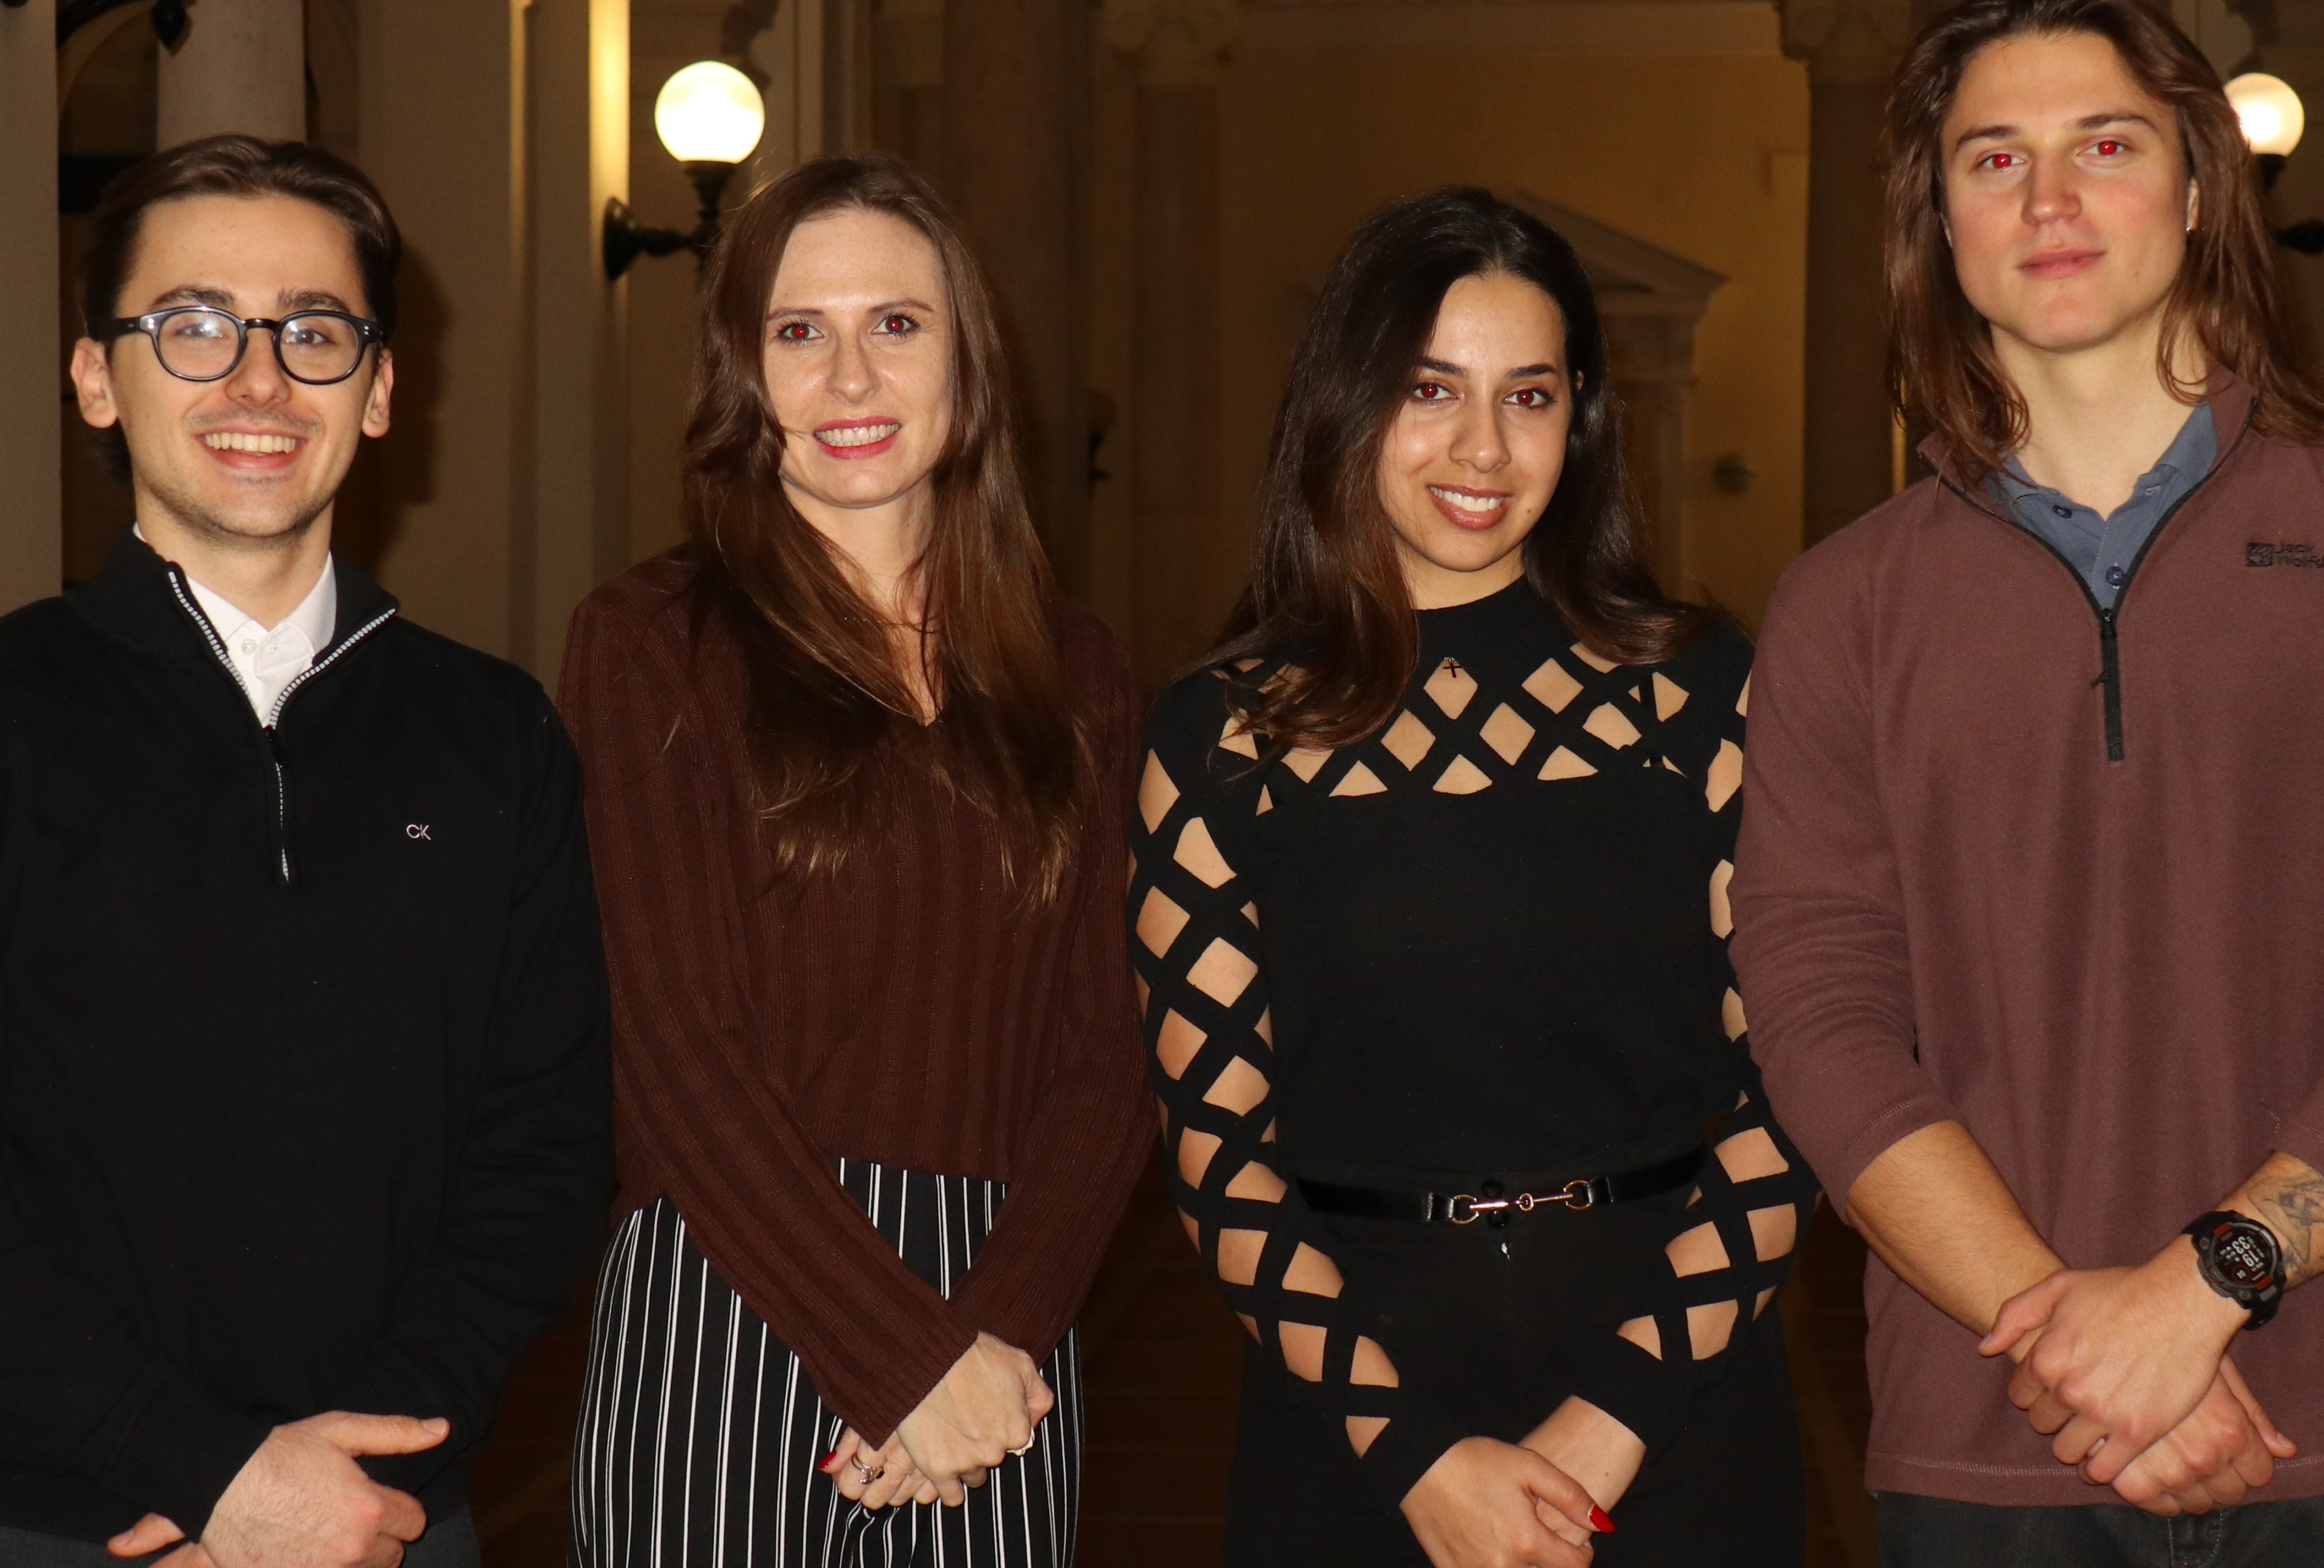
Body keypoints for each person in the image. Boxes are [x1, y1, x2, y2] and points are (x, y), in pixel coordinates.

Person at [1128, 188, 1822, 1568]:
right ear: (1345, 405)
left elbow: (1799, 1088)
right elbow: (1218, 1153)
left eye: (1531, 395)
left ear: (1583, 418)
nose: (1484, 448)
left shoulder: (1699, 694)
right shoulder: (1221, 739)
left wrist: (1609, 1427)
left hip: (1677, 1399)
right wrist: (1415, 1457)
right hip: (1354, 1417)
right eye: (1430, 389)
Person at [1732, 0, 2324, 1565]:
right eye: (1995, 159)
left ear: (2198, 186)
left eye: (2105, 146)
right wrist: (2084, 1347)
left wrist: (2210, 1287)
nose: (2049, 199)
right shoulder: (1845, 604)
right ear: (1941, 223)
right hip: (1989, 1434)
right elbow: (1819, 1010)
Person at [0, 136, 610, 1568]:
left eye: (315, 333)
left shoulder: (497, 735)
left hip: (387, 1515)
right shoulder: (14, 711)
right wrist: (211, 1474)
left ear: (379, 389)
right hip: (60, 1519)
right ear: (96, 376)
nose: (258, 380)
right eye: (194, 325)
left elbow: (547, 1146)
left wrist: (355, 1474)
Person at [560, 154, 1152, 1568]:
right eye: (797, 331)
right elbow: (675, 1048)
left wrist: (998, 1338)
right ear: (742, 374)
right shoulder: (650, 643)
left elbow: (1118, 1045)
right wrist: (901, 1358)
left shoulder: (1078, 671)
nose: (849, 377)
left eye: (896, 324)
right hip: (728, 1289)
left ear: (967, 363)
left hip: (1004, 1330)